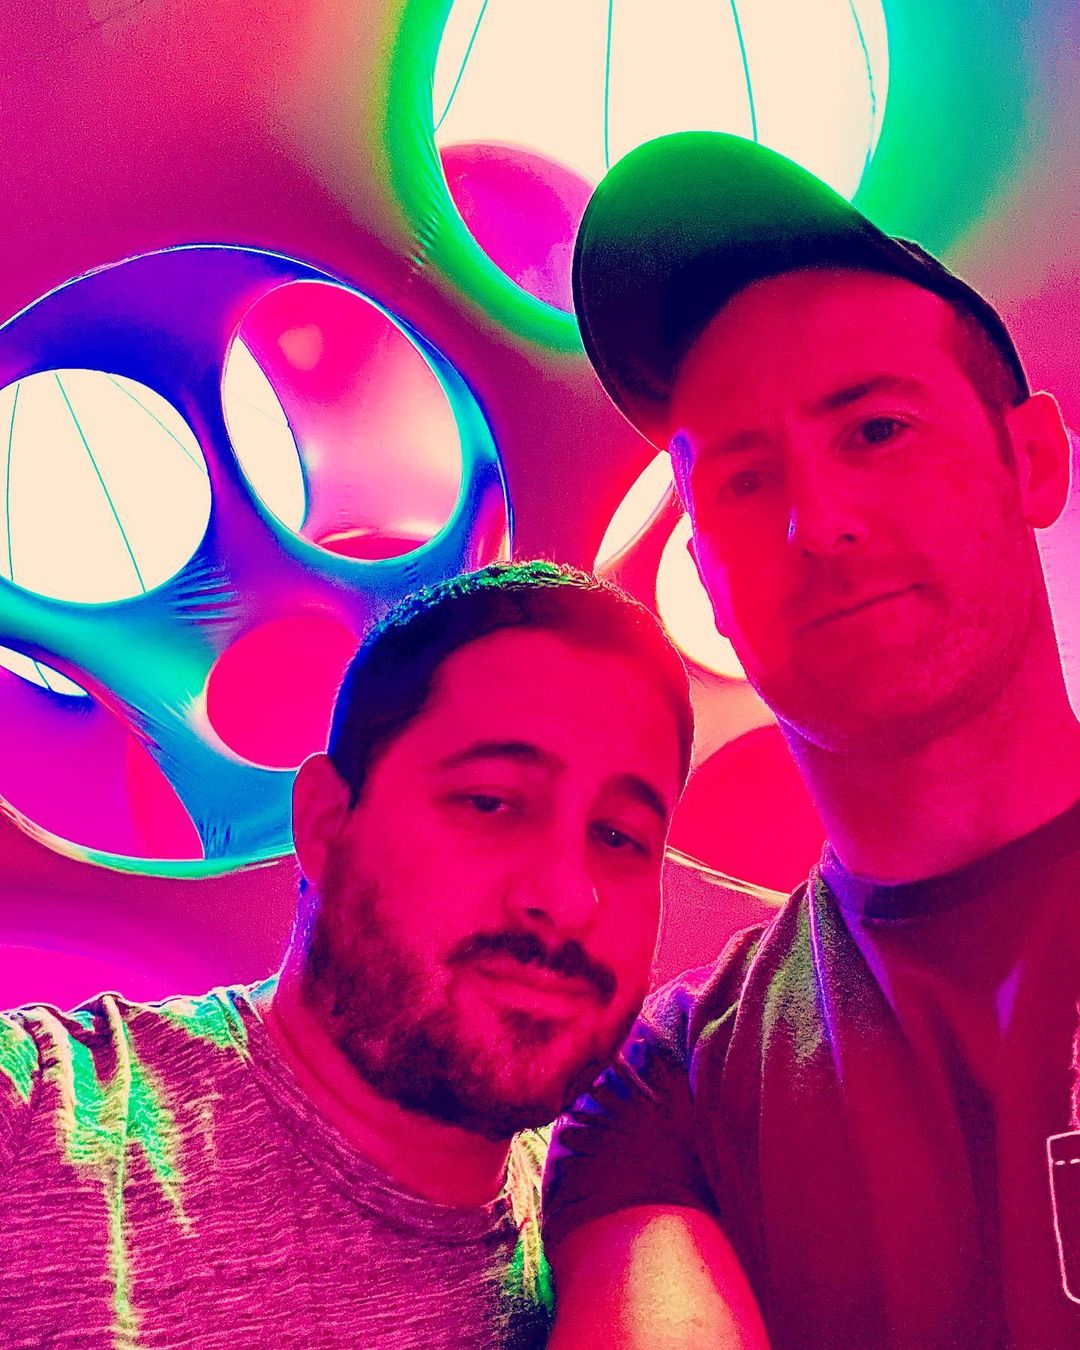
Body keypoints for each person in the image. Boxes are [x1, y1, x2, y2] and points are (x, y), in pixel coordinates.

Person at [543, 132, 1080, 1349]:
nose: (816, 519)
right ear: (708, 585)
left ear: (1033, 461)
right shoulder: (665, 1098)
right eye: (744, 480)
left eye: (876, 430)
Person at [0, 560, 695, 1348]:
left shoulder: (620, 1195)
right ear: (329, 825)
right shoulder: (41, 1118)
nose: (569, 897)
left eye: (619, 837)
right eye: (491, 801)